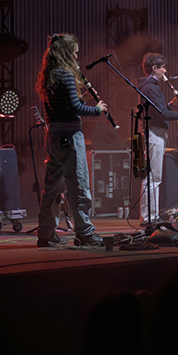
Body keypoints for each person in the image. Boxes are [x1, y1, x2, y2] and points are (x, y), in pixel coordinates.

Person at [35, 33, 107, 247]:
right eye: (75, 52)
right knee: (79, 186)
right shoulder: (66, 74)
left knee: (52, 188)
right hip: (70, 137)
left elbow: (64, 105)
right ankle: (85, 232)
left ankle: (46, 233)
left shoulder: (50, 75)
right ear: (66, 53)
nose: (77, 56)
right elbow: (75, 108)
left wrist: (86, 98)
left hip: (53, 136)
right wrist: (97, 109)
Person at [137, 52, 178, 226]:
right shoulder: (150, 87)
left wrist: (171, 104)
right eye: (162, 68)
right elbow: (162, 114)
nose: (165, 71)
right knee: (153, 177)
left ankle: (151, 215)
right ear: (154, 68)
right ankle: (149, 217)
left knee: (154, 176)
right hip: (154, 133)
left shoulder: (150, 86)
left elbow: (159, 110)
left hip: (155, 132)